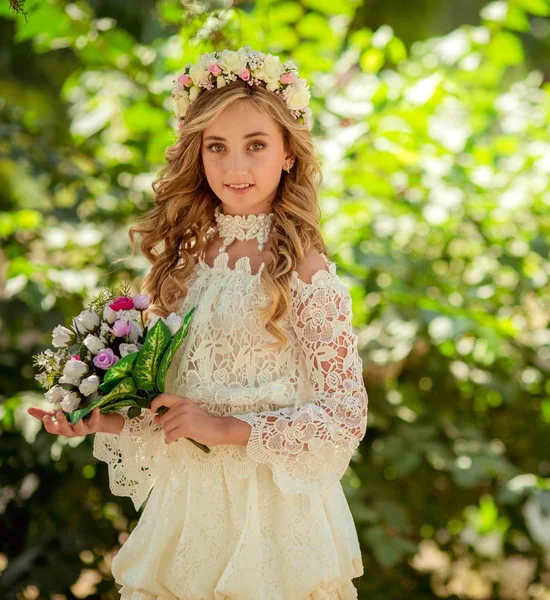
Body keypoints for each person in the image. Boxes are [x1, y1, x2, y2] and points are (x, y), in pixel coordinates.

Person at [29, 45, 369, 600]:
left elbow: (345, 414)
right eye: (218, 147)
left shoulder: (304, 269)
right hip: (187, 514)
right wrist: (99, 420)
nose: (235, 167)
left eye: (255, 145)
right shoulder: (181, 261)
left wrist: (229, 429)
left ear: (288, 153)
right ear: (198, 153)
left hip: (271, 524)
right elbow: (176, 416)